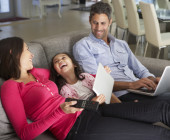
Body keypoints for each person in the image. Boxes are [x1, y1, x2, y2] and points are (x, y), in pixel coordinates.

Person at [1, 38, 170, 140]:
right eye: (26, 50)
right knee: (159, 134)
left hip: (91, 108)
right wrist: (59, 112)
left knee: (162, 109)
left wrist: (100, 76)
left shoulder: (36, 73)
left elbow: (65, 70)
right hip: (76, 128)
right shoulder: (10, 87)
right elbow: (24, 134)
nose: (31, 54)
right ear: (13, 53)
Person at [73, 2, 162, 102]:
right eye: (95, 23)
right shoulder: (83, 46)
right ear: (89, 20)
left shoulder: (121, 44)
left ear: (110, 22)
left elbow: (140, 70)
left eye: (103, 23)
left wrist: (152, 80)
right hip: (120, 95)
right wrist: (132, 85)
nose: (98, 28)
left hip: (140, 89)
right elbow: (96, 82)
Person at [50, 52, 121, 104]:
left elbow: (99, 86)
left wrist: (103, 75)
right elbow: (76, 106)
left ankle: (122, 106)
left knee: (106, 92)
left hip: (100, 96)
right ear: (57, 72)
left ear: (74, 64)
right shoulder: (64, 89)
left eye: (63, 57)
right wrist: (93, 102)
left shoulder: (85, 76)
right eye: (56, 61)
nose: (60, 61)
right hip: (90, 107)